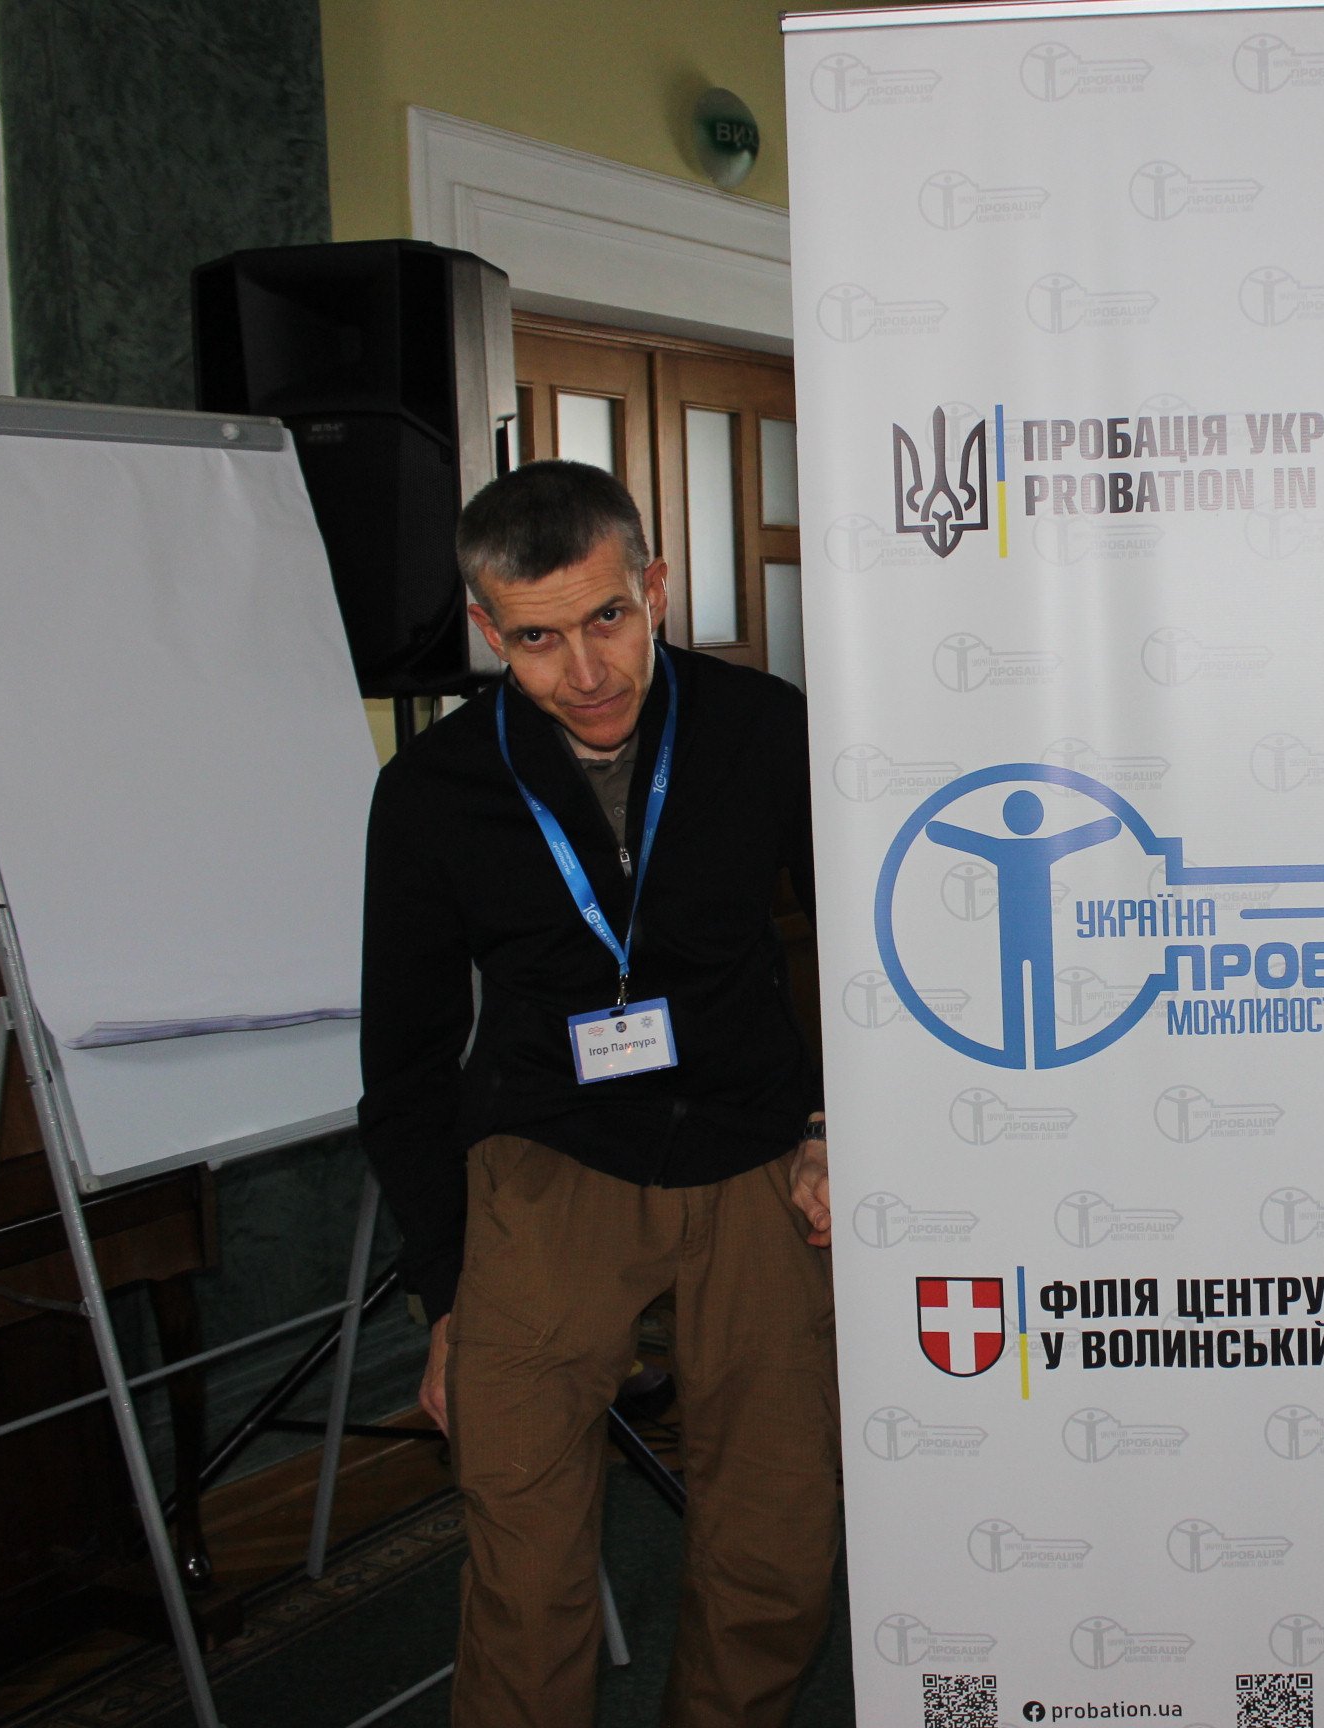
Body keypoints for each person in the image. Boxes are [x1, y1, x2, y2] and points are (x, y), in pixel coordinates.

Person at [359, 460, 837, 1728]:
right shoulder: (432, 792)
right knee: (523, 1557)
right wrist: (446, 1293)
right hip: (546, 1157)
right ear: (487, 630)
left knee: (777, 1537)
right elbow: (403, 1062)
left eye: (607, 619)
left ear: (655, 588)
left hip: (755, 1150)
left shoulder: (764, 727)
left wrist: (832, 1126)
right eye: (537, 639)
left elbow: (864, 952)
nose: (584, 672)